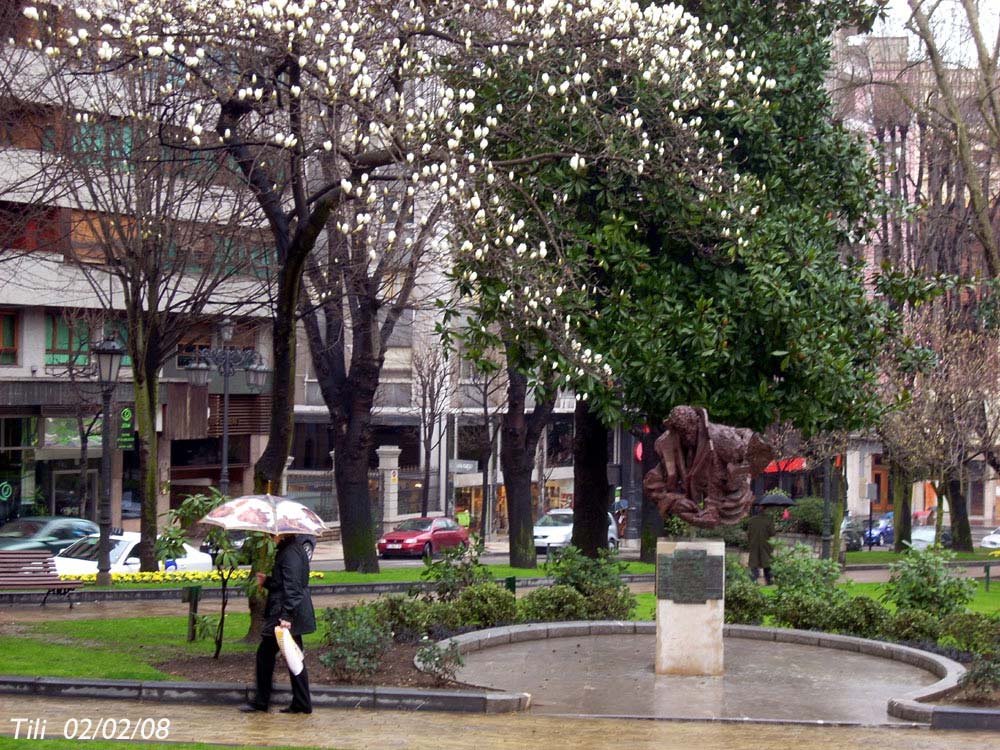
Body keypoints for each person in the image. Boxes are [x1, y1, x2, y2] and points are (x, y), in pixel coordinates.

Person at [240, 533, 315, 714]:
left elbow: (293, 587)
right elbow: (285, 584)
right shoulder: (290, 550)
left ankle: (262, 701)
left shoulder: (290, 553)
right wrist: (267, 582)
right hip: (287, 611)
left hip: (284, 614)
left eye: (271, 533)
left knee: (265, 655)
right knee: (294, 657)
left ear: (281, 533)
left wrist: (286, 617)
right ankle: (301, 702)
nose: (269, 536)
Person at [746, 504, 775, 585]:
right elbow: (772, 533)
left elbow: (749, 533)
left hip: (754, 544)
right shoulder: (769, 520)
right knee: (767, 564)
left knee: (754, 564)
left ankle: (752, 581)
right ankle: (769, 582)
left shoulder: (751, 520)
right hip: (766, 545)